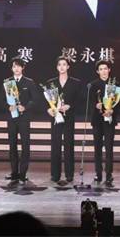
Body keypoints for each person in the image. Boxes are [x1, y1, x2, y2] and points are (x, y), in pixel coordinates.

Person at [45, 56, 81, 184]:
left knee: (69, 145)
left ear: (68, 66)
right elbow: (46, 101)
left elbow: (79, 100)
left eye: (64, 64)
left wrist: (69, 106)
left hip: (69, 117)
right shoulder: (51, 83)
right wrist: (49, 109)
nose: (62, 67)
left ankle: (69, 174)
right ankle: (55, 174)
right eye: (59, 64)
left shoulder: (75, 83)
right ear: (57, 67)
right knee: (55, 145)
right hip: (56, 117)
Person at [4, 57, 38, 186]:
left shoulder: (29, 82)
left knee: (25, 146)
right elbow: (1, 100)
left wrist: (26, 107)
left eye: (18, 66)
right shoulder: (8, 82)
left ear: (23, 67)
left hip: (24, 119)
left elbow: (35, 99)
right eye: (14, 66)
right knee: (12, 146)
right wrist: (8, 107)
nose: (16, 68)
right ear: (11, 68)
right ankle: (14, 173)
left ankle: (23, 174)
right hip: (12, 118)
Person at [88, 60, 120, 187]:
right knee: (97, 148)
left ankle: (109, 174)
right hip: (97, 120)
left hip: (109, 120)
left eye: (105, 68)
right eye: (101, 69)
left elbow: (119, 103)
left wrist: (112, 110)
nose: (103, 71)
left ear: (109, 70)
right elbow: (89, 101)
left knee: (109, 147)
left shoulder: (115, 84)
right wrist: (96, 105)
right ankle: (98, 173)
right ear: (97, 71)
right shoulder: (92, 85)